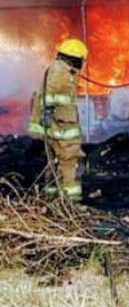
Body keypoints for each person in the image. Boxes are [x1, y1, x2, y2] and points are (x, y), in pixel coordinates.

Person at [32, 39, 88, 202]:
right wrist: (47, 113)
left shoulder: (63, 70)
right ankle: (70, 203)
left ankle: (51, 200)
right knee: (70, 162)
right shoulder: (60, 71)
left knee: (54, 164)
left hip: (59, 126)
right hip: (62, 128)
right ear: (74, 57)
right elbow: (49, 94)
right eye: (81, 59)